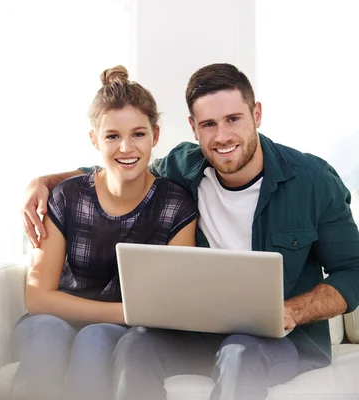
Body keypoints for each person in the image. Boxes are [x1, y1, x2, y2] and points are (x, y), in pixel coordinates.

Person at [21, 63, 359, 400]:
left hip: (280, 340)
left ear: (256, 114)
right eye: (209, 124)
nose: (222, 136)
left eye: (233, 119)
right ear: (193, 129)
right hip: (196, 331)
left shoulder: (312, 181)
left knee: (239, 355)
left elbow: (354, 270)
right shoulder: (184, 167)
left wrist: (293, 311)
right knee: (134, 345)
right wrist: (44, 182)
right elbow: (122, 167)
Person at [12, 65, 198, 400]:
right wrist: (122, 312)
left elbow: (173, 303)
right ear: (94, 139)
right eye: (112, 136)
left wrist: (119, 319)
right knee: (49, 335)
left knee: (95, 338)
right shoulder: (66, 197)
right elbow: (38, 298)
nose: (126, 147)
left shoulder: (176, 206)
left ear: (155, 136)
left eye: (138, 134)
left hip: (119, 330)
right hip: (53, 320)